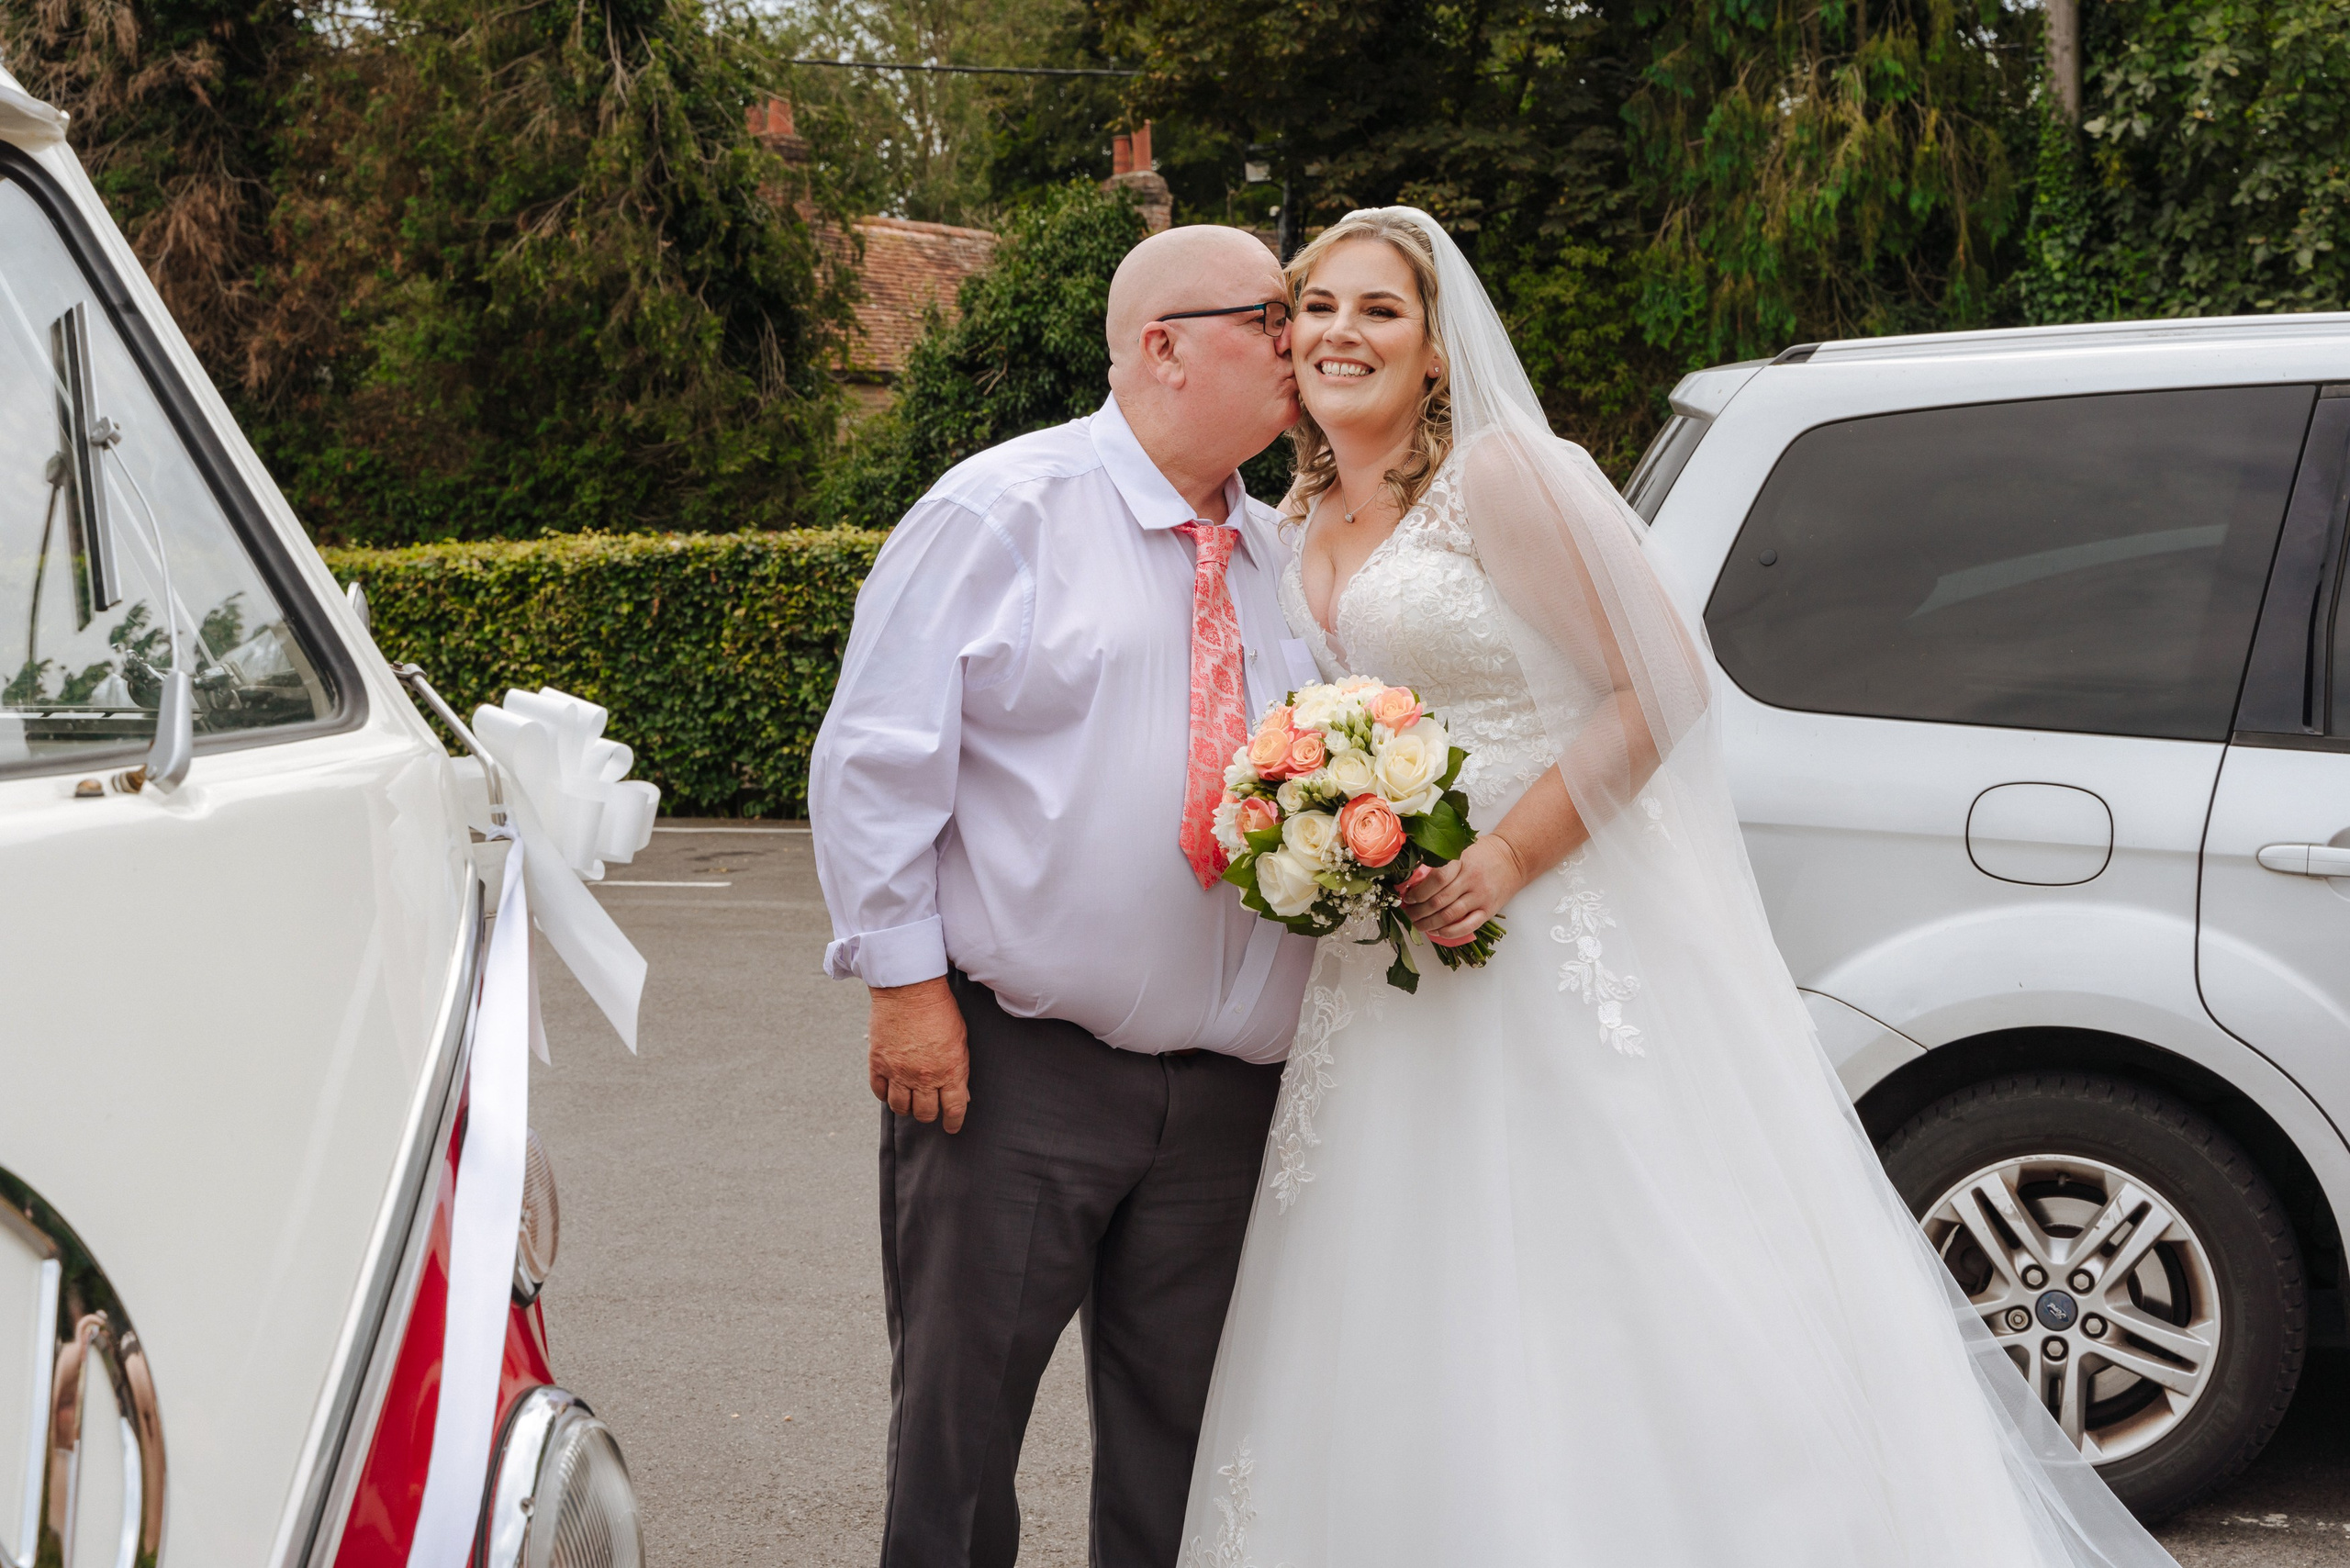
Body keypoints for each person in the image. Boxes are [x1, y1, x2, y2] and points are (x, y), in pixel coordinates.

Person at [1176, 207, 2181, 1568]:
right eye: (1320, 308)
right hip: (1391, 960)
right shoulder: (1300, 511)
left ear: (1434, 353)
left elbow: (1659, 682)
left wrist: (1506, 858)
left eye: (1382, 311)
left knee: (1609, 1272)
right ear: (1286, 340)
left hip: (1539, 923)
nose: (1343, 334)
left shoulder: (1502, 476)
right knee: (1408, 1283)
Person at [810, 224, 1320, 1568]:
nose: (1302, 342)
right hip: (1015, 1069)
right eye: (1271, 317)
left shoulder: (1278, 556)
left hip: (1228, 1093)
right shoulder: (1000, 511)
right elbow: (875, 760)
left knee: (1185, 1448)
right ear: (1163, 347)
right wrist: (909, 991)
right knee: (960, 1441)